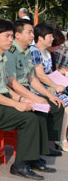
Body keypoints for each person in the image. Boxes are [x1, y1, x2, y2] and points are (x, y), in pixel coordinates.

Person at [0, 19, 56, 181]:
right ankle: (20, 165)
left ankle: (33, 157)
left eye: (11, 36)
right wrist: (17, 104)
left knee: (37, 111)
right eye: (7, 36)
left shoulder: (1, 58)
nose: (11, 40)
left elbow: (5, 88)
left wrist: (23, 99)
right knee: (28, 119)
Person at [5, 20, 66, 153]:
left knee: (56, 105)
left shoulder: (27, 51)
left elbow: (32, 79)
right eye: (29, 32)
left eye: (33, 32)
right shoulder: (11, 52)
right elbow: (12, 83)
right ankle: (36, 152)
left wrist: (50, 95)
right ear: (18, 35)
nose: (33, 35)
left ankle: (47, 145)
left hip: (26, 89)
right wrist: (35, 98)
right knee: (40, 111)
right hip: (15, 92)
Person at [30, 23, 68, 152]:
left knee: (64, 99)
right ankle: (60, 139)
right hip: (38, 88)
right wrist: (56, 85)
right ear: (41, 38)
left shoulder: (46, 52)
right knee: (63, 102)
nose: (52, 39)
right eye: (50, 36)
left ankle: (59, 138)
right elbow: (40, 75)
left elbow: (49, 73)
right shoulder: (34, 51)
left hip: (48, 86)